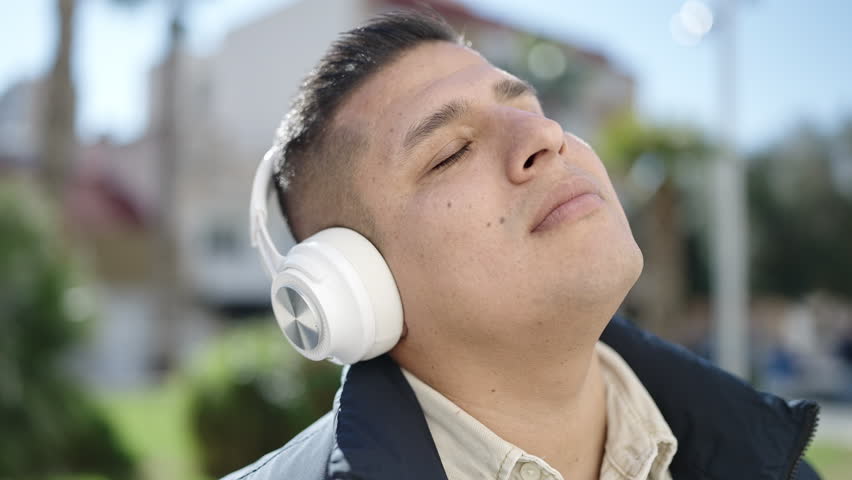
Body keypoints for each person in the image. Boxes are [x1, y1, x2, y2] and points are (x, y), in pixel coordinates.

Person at [224, 9, 821, 480]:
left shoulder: (777, 462)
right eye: (450, 153)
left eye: (533, 108)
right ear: (357, 291)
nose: (545, 136)